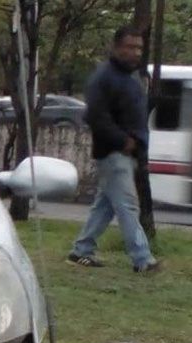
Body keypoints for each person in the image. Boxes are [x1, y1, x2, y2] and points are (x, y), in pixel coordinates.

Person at [67, 25, 160, 273]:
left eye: (139, 47)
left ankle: (81, 250)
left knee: (105, 206)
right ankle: (143, 259)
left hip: (126, 153)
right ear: (116, 47)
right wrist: (123, 141)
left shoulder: (128, 78)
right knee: (128, 206)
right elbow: (95, 116)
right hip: (113, 152)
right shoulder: (104, 77)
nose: (136, 52)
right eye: (130, 47)